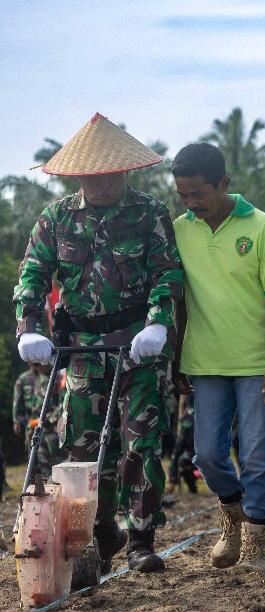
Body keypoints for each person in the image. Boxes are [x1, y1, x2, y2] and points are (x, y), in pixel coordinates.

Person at [15, 114, 182, 577]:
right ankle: (98, 530)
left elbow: (168, 274)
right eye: (93, 177)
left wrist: (158, 325)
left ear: (126, 171)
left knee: (139, 441)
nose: (103, 184)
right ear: (78, 176)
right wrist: (30, 327)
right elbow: (32, 275)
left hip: (137, 346)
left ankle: (142, 540)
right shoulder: (56, 218)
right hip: (82, 349)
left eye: (111, 176)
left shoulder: (148, 213)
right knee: (83, 448)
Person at [171, 142, 265, 575]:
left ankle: (256, 542)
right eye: (183, 195)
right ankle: (232, 511)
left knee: (259, 454)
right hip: (205, 362)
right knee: (207, 454)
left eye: (198, 194)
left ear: (223, 184)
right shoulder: (180, 230)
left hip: (257, 361)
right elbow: (179, 302)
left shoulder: (262, 227)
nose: (191, 203)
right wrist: (176, 356)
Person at [12, 363, 62, 479]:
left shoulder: (56, 376)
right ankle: (34, 491)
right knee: (33, 464)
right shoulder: (23, 379)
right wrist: (17, 421)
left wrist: (51, 419)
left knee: (52, 463)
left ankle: (54, 490)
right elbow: (17, 402)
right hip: (32, 427)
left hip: (52, 428)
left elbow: (63, 402)